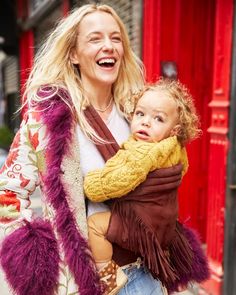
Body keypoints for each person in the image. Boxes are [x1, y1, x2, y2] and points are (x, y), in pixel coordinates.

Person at [0, 4, 183, 295]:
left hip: (145, 274)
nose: (108, 46)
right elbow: (8, 193)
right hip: (84, 280)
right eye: (95, 39)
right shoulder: (47, 119)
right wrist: (34, 258)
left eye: (116, 38)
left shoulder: (138, 110)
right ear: (73, 54)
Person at [84, 78, 208, 294]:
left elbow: (119, 183)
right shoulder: (175, 148)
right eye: (140, 114)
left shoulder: (144, 153)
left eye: (158, 118)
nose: (145, 122)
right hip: (162, 222)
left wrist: (92, 185)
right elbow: (182, 170)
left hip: (140, 224)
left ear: (174, 130)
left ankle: (108, 276)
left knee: (95, 225)